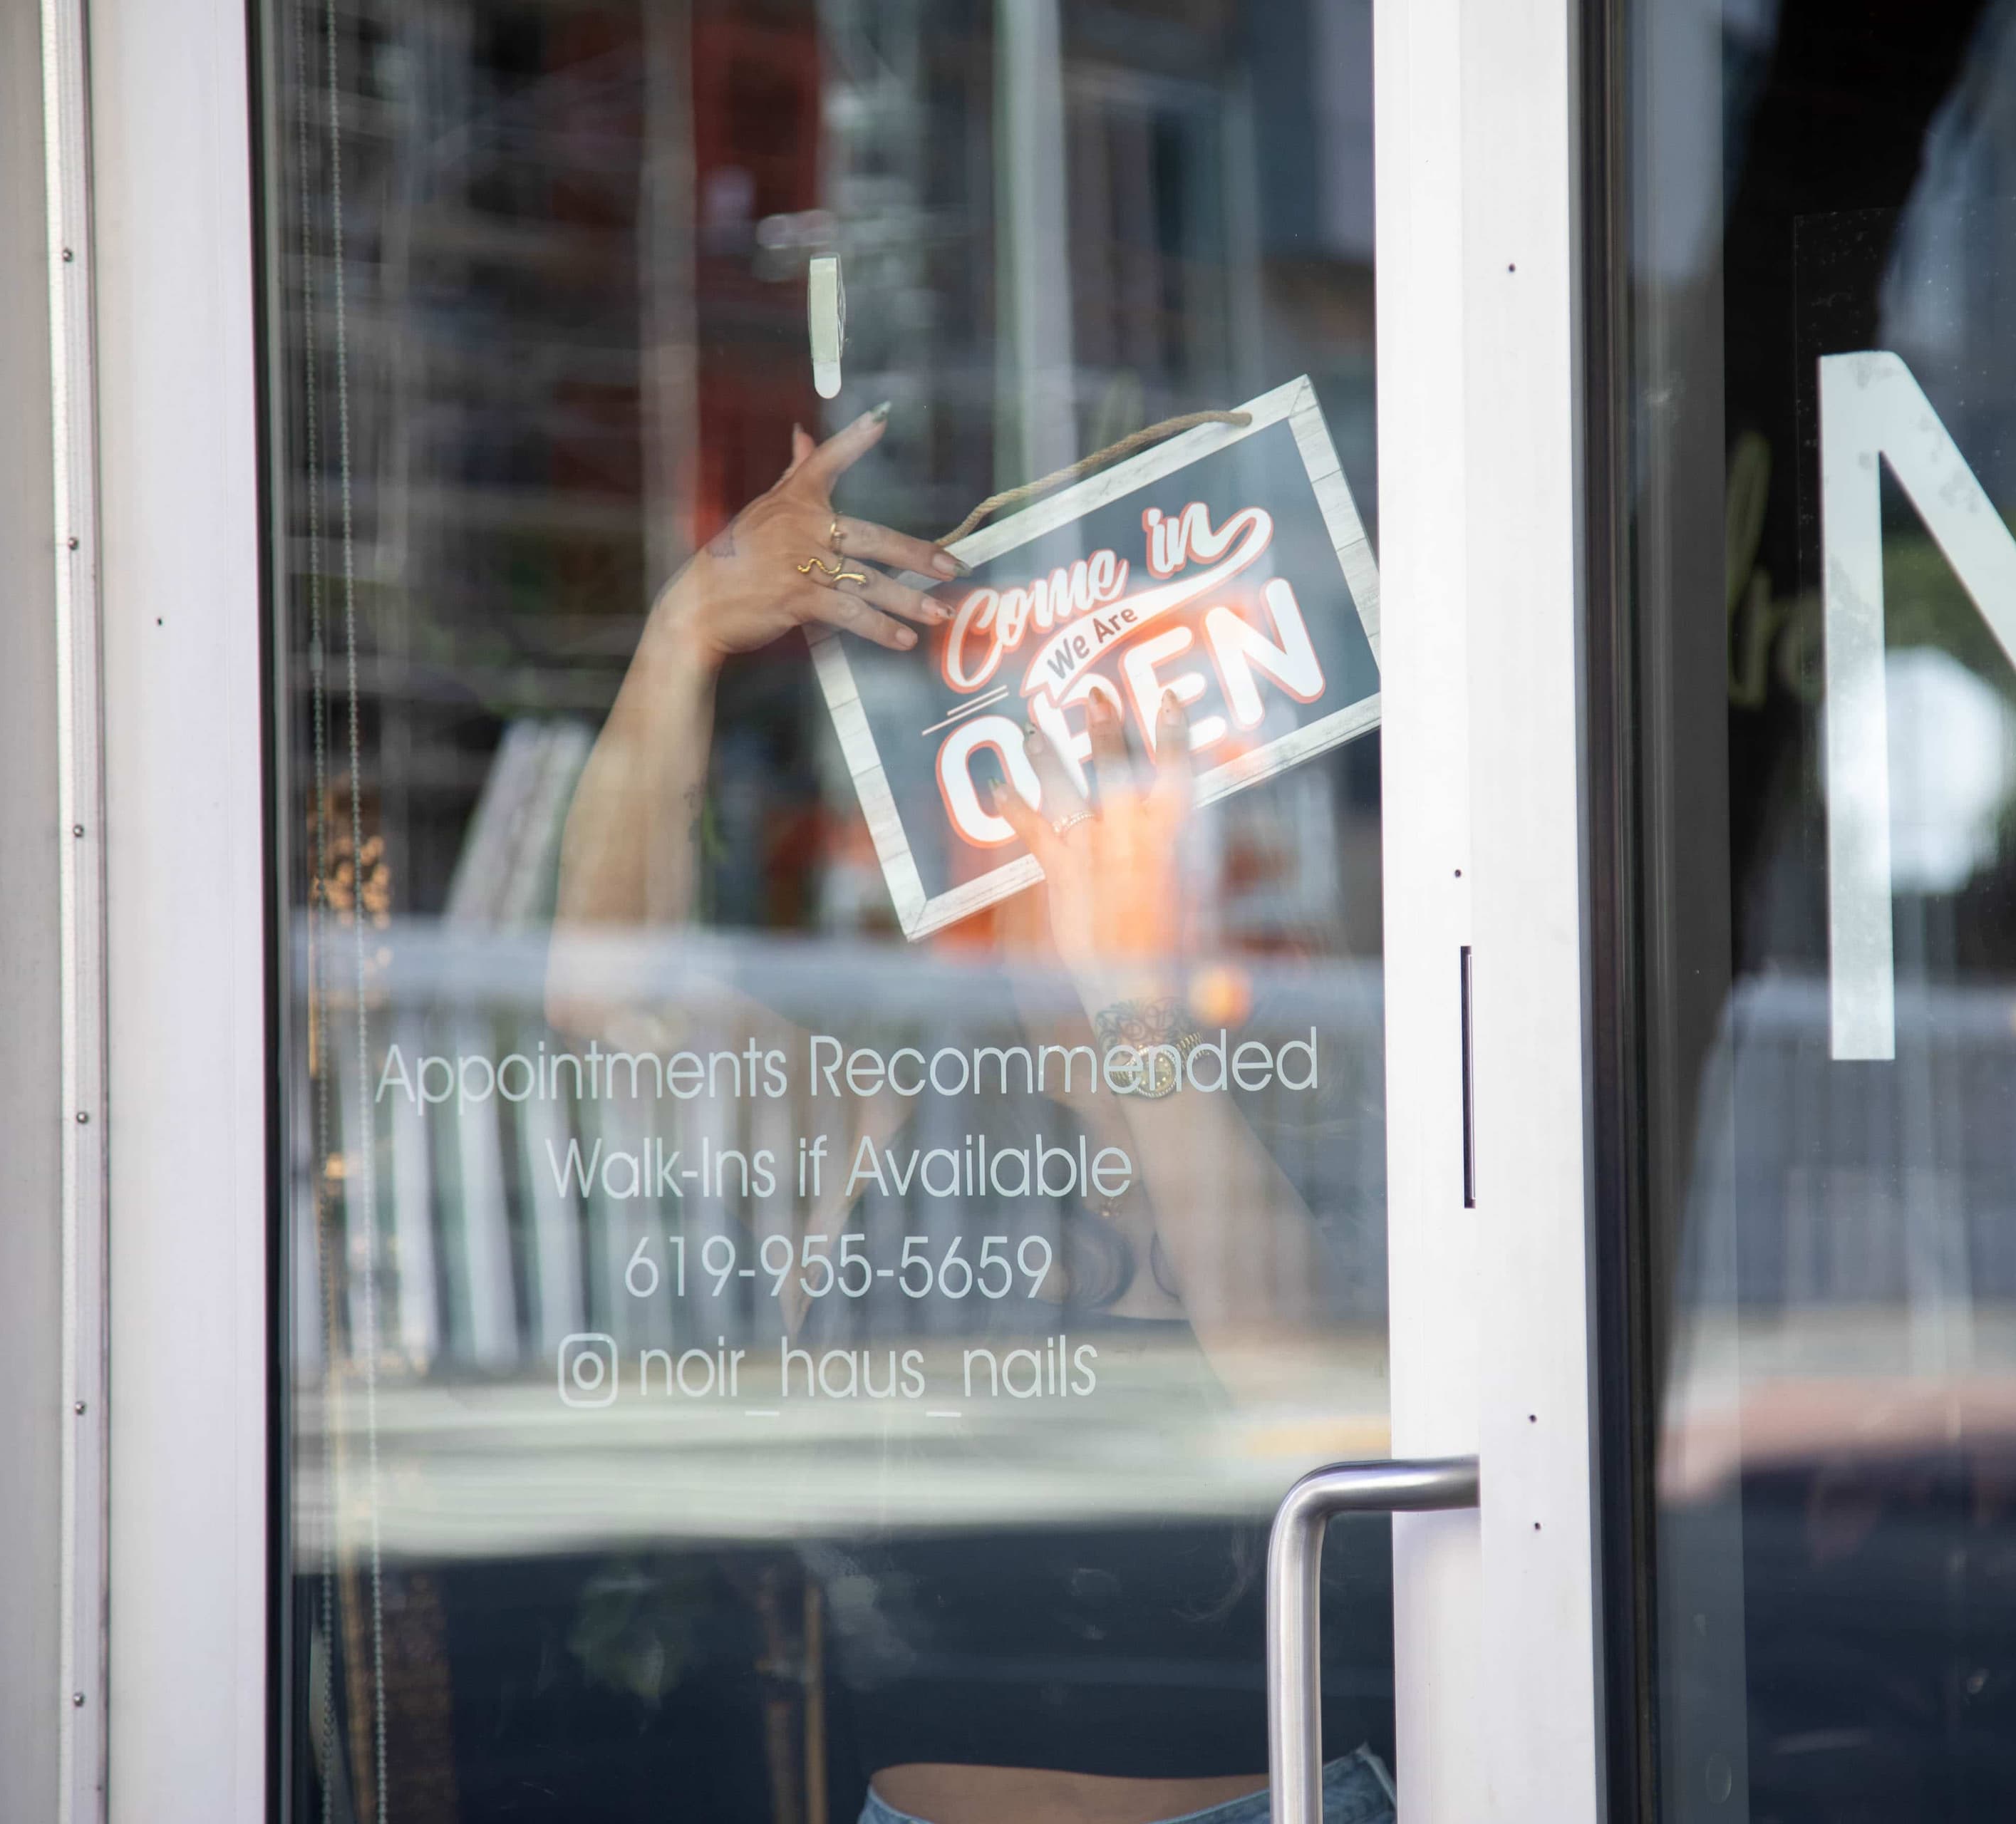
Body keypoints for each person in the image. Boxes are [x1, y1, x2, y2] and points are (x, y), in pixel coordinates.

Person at [547, 411, 1395, 1824]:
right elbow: (605, 998)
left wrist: (1124, 1001)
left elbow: (1301, 1397)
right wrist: (686, 632)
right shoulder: (892, 1106)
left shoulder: (1294, 1076)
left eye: (1112, 765)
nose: (1066, 811)